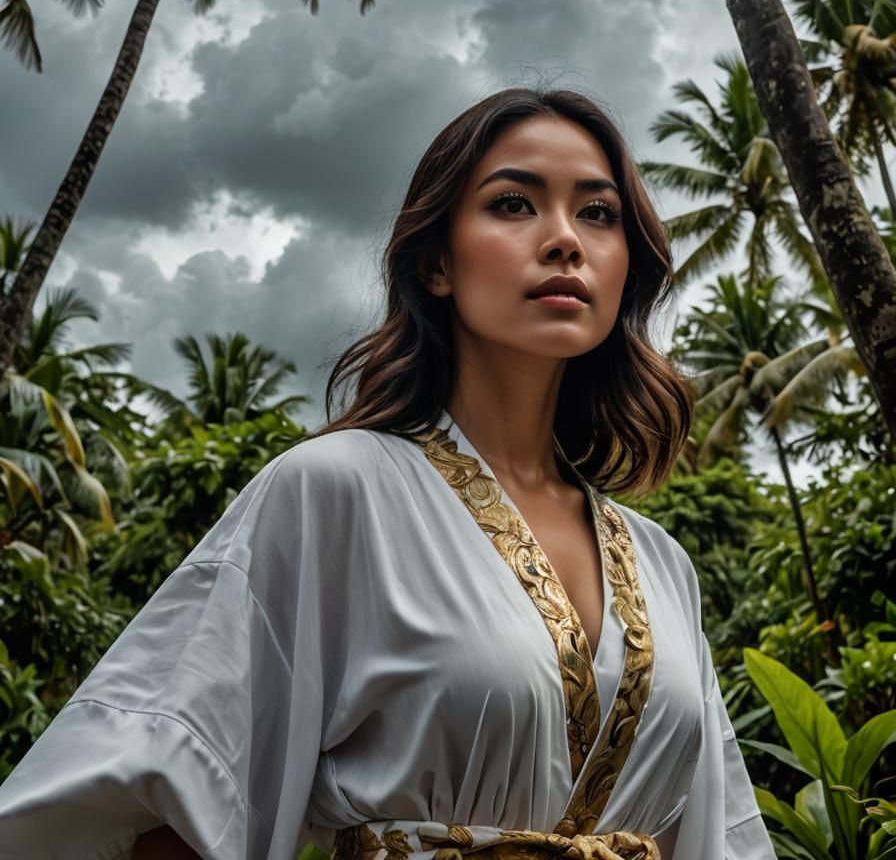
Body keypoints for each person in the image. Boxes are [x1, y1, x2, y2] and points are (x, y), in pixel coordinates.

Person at [0, 88, 775, 860]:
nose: (565, 239)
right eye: (514, 204)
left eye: (599, 213)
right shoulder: (331, 492)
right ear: (436, 261)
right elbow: (170, 785)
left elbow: (716, 833)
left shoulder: (663, 564)